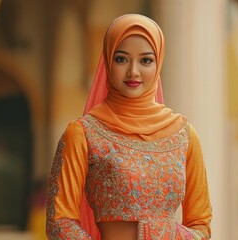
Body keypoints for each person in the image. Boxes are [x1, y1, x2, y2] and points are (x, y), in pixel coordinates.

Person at [45, 14, 212, 240]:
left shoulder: (184, 136)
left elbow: (201, 224)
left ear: (158, 63)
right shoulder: (83, 133)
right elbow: (59, 221)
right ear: (107, 61)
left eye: (145, 60)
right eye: (121, 59)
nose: (133, 71)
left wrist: (164, 234)